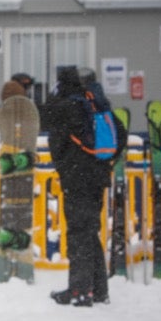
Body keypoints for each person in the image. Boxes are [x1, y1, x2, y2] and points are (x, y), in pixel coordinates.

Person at [42, 65, 113, 307]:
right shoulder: (97, 104)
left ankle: (80, 291)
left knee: (79, 232)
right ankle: (98, 289)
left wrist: (55, 93)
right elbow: (119, 135)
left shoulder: (67, 106)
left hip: (77, 177)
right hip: (98, 176)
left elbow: (47, 120)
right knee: (90, 230)